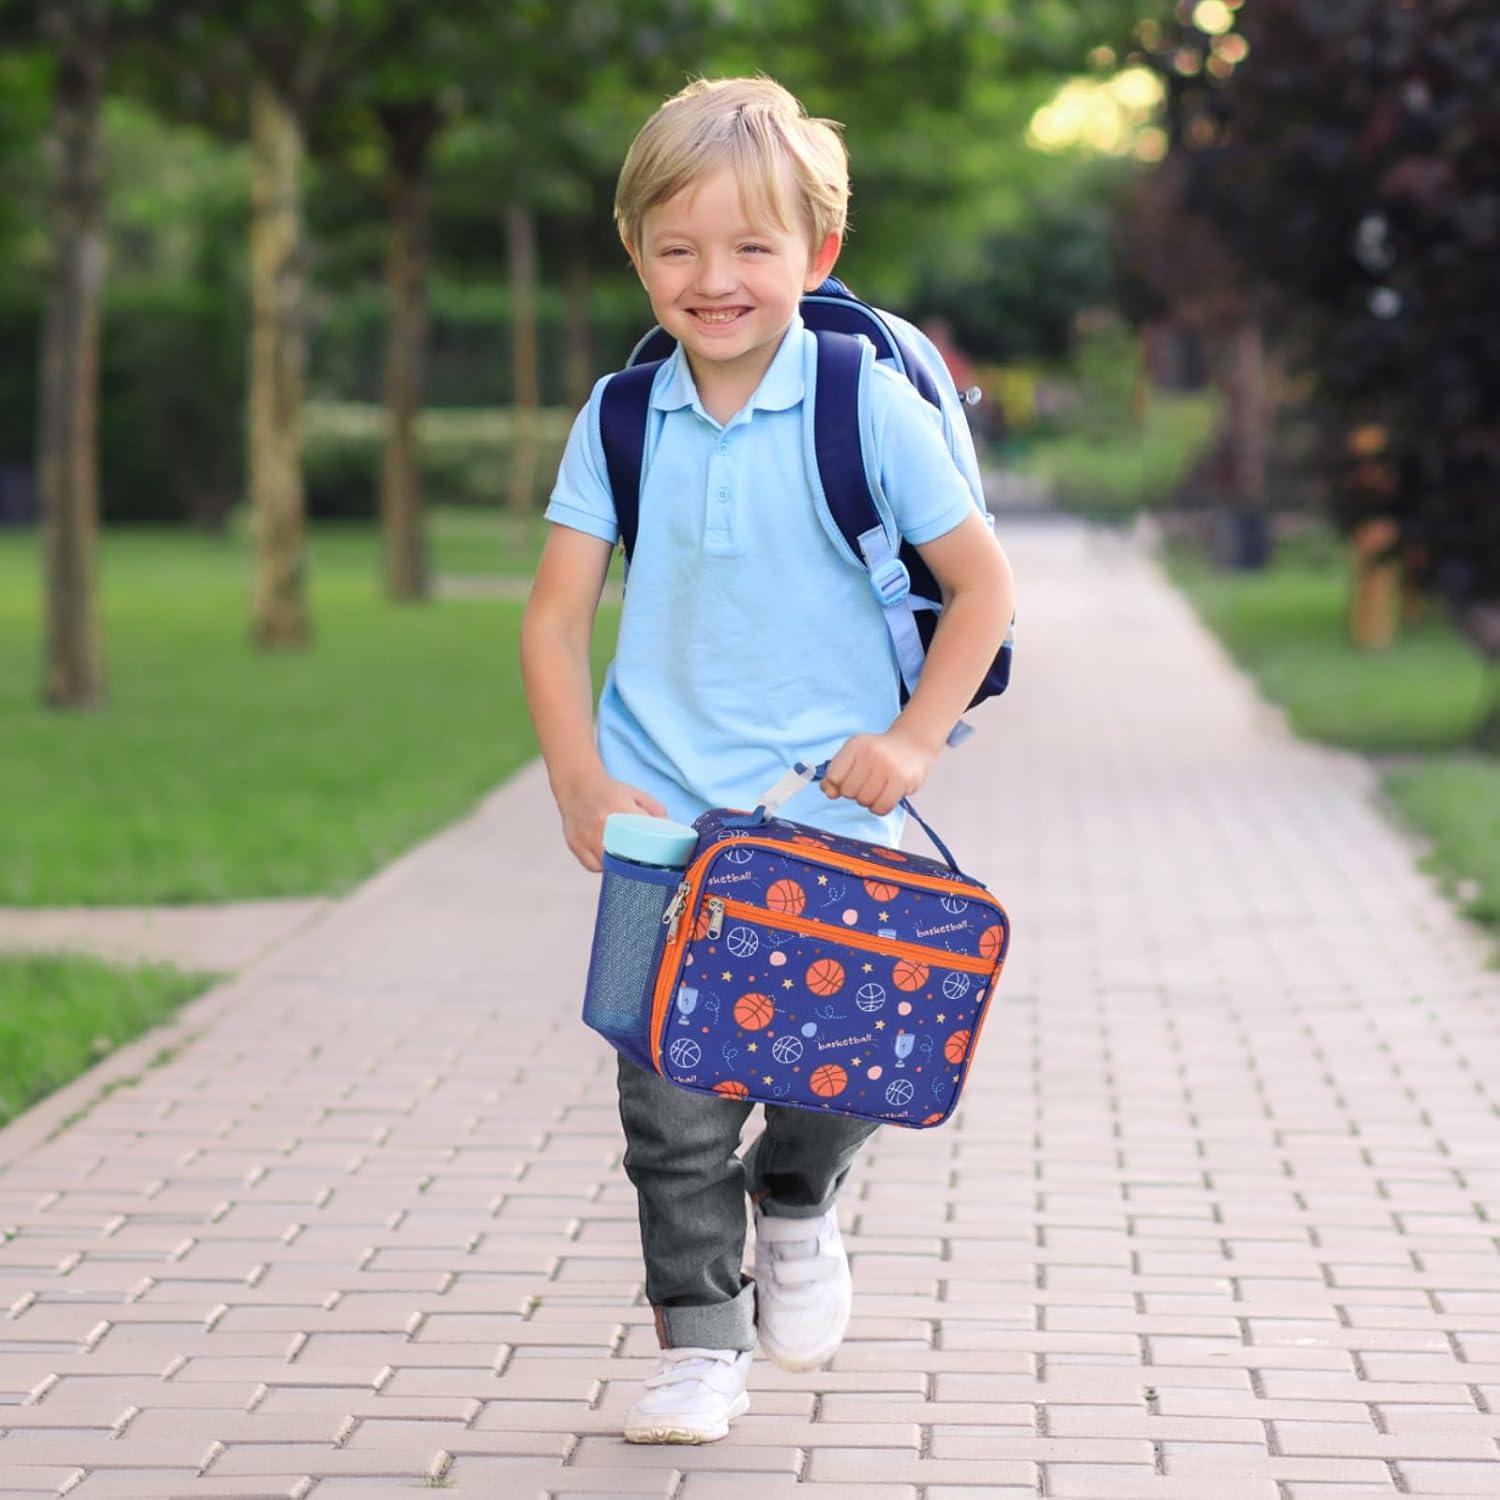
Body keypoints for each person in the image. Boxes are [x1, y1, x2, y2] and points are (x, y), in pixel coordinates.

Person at [519, 74, 1015, 1445]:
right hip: (657, 830)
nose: (714, 278)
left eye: (751, 247)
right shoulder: (621, 420)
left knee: (842, 1065)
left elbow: (983, 588)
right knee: (668, 1102)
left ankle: (794, 1198)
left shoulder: (866, 406)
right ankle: (700, 1342)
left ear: (818, 256)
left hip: (831, 821)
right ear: (638, 257)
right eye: (678, 248)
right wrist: (574, 776)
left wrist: (915, 740)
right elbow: (555, 622)